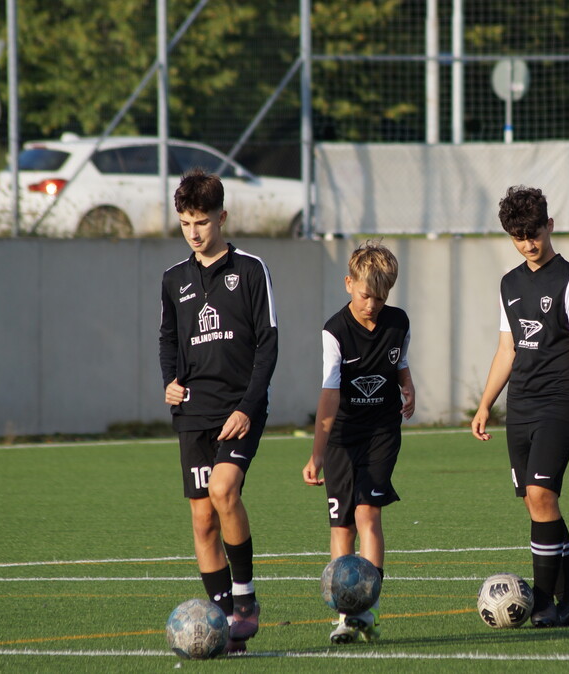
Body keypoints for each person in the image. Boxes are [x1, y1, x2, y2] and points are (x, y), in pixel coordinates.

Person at [159, 169, 279, 655]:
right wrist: (169, 381)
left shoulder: (250, 270)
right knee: (202, 520)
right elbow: (168, 339)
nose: (194, 232)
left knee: (224, 490)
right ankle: (224, 622)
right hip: (193, 413)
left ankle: (245, 600)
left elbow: (268, 344)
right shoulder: (174, 279)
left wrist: (248, 407)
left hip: (238, 409)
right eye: (186, 222)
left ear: (222, 217)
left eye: (202, 221)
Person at [472, 185, 569, 628]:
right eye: (518, 236)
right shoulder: (509, 283)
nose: (528, 244)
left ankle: (543, 603)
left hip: (559, 403)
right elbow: (506, 349)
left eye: (534, 233)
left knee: (543, 495)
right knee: (535, 502)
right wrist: (485, 404)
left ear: (550, 225)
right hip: (521, 406)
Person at [303, 241, 415, 643]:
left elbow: (399, 361)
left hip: (382, 432)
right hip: (342, 436)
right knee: (342, 526)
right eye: (366, 295)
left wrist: (408, 386)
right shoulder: (334, 331)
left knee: (368, 514)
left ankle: (369, 610)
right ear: (348, 283)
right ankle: (345, 613)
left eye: (381, 298)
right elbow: (330, 394)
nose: (372, 305)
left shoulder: (398, 322)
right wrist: (317, 454)